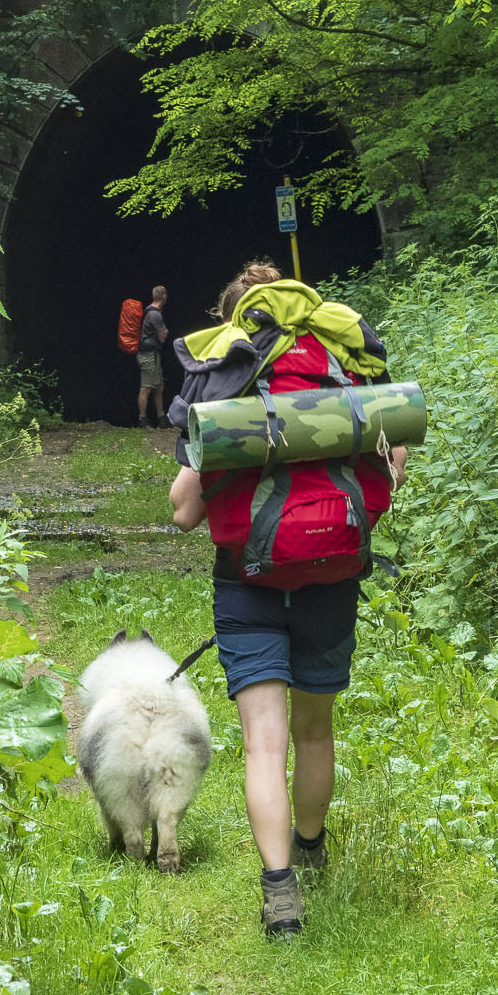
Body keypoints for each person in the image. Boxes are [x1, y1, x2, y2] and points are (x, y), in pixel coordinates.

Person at [167, 260, 408, 939]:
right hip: (332, 576)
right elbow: (389, 467)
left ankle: (280, 894)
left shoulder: (225, 378)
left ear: (234, 319)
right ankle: (311, 845)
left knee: (264, 746)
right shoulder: (343, 370)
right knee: (315, 731)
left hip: (247, 579)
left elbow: (185, 513)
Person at [135, 286, 170, 427]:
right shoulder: (155, 314)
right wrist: (166, 331)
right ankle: (142, 419)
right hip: (148, 355)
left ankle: (161, 418)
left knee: (158, 387)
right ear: (164, 296)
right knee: (146, 387)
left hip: (153, 355)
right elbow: (162, 337)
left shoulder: (149, 311)